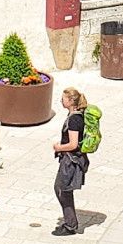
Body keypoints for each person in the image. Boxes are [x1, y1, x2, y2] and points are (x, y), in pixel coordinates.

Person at [51, 86, 89, 236]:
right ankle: (70, 222)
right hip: (71, 159)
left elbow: (73, 144)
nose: (61, 101)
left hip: (70, 160)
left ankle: (70, 225)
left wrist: (58, 147)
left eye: (63, 98)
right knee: (62, 189)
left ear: (71, 101)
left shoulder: (74, 119)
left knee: (63, 190)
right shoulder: (76, 115)